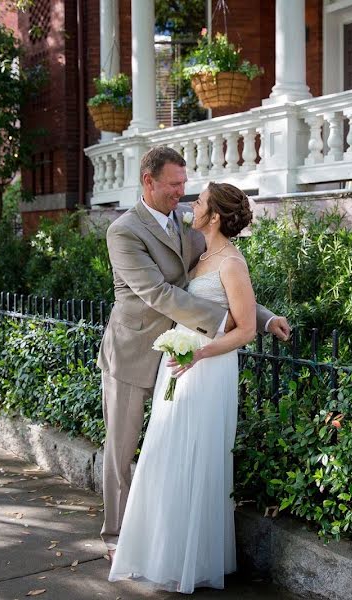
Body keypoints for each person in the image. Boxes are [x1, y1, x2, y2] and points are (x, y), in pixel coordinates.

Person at [97, 147, 290, 566]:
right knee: (122, 450)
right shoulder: (124, 231)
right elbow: (159, 294)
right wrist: (229, 325)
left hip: (182, 356)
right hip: (131, 353)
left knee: (166, 454)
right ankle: (116, 535)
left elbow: (213, 277)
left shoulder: (185, 225)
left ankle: (159, 539)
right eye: (173, 185)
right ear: (149, 182)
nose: (182, 194)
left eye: (185, 185)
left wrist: (262, 317)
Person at [108, 181, 263, 592]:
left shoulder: (230, 260)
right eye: (179, 186)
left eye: (200, 201)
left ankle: (192, 558)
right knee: (167, 456)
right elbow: (175, 294)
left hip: (205, 367)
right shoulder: (199, 248)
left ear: (213, 216)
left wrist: (202, 353)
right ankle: (161, 551)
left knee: (195, 459)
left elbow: (242, 322)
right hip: (175, 362)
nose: (190, 201)